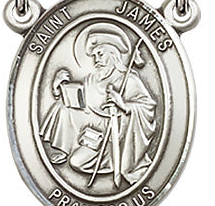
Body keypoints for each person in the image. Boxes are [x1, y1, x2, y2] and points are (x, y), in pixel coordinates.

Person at [39, 24, 157, 189]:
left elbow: (147, 107)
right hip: (92, 134)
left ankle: (113, 162)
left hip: (116, 137)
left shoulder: (129, 80)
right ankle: (64, 149)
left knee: (76, 162)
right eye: (94, 56)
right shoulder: (92, 79)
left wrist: (123, 105)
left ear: (113, 54)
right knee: (62, 107)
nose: (96, 60)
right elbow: (79, 102)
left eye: (100, 54)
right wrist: (57, 88)